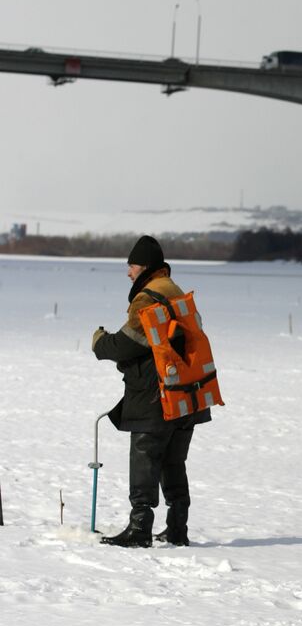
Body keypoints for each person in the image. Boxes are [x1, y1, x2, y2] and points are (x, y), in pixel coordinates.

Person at [92, 235, 211, 548]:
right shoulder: (174, 290)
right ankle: (177, 528)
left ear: (143, 267)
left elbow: (128, 344)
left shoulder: (148, 298)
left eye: (131, 266)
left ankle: (139, 530)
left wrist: (99, 342)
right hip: (186, 393)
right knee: (173, 461)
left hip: (155, 395)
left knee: (144, 460)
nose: (128, 272)